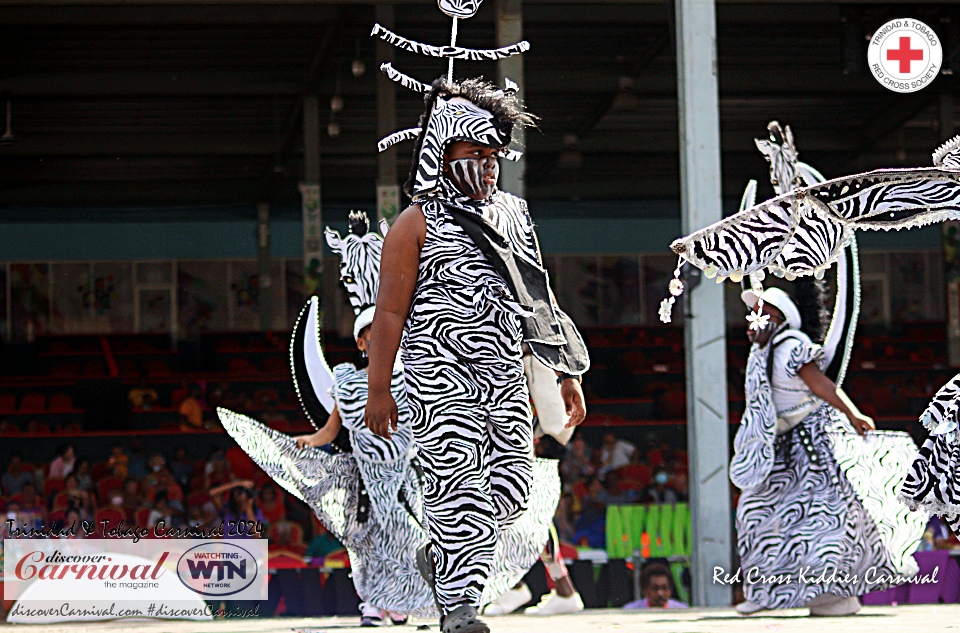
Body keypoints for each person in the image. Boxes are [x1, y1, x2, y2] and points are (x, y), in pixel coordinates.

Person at [217, 214, 560, 627]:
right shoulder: (346, 381)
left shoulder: (416, 371)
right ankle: (377, 606)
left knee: (423, 536)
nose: (373, 340)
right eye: (368, 336)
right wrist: (300, 446)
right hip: (370, 481)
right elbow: (331, 429)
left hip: (413, 474)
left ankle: (429, 603)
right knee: (372, 545)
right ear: (361, 341)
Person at [365, 77, 588, 633]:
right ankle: (460, 609)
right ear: (441, 152)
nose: (487, 166)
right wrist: (378, 387)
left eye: (493, 156)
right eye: (473, 153)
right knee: (461, 490)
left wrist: (565, 373)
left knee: (512, 494)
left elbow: (539, 297)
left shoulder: (512, 213)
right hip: (438, 374)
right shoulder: (413, 224)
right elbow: (389, 314)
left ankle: (442, 560)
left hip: (506, 373)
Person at [732, 283, 924, 616]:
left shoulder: (793, 345)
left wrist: (853, 413)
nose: (753, 318)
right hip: (778, 449)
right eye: (753, 312)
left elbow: (821, 385)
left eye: (760, 312)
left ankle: (833, 596)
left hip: (811, 448)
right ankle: (769, 592)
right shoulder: (761, 351)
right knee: (758, 516)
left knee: (823, 520)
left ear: (779, 318)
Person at [623, 563, 688, 609]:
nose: (660, 593)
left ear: (670, 590)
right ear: (645, 591)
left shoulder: (681, 611)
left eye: (664, 588)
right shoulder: (630, 611)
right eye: (655, 588)